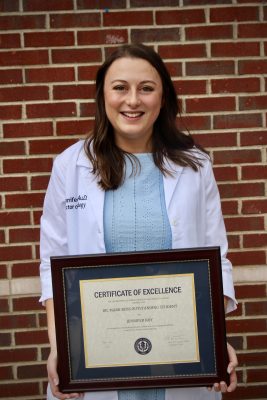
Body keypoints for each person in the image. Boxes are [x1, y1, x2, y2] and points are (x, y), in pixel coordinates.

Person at [39, 43, 238, 400]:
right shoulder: (70, 167)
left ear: (163, 98)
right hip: (95, 357)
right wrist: (60, 348)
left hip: (181, 355)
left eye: (146, 88)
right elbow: (53, 263)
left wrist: (215, 339)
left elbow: (216, 259)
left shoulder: (195, 166)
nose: (133, 100)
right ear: (103, 96)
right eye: (120, 87)